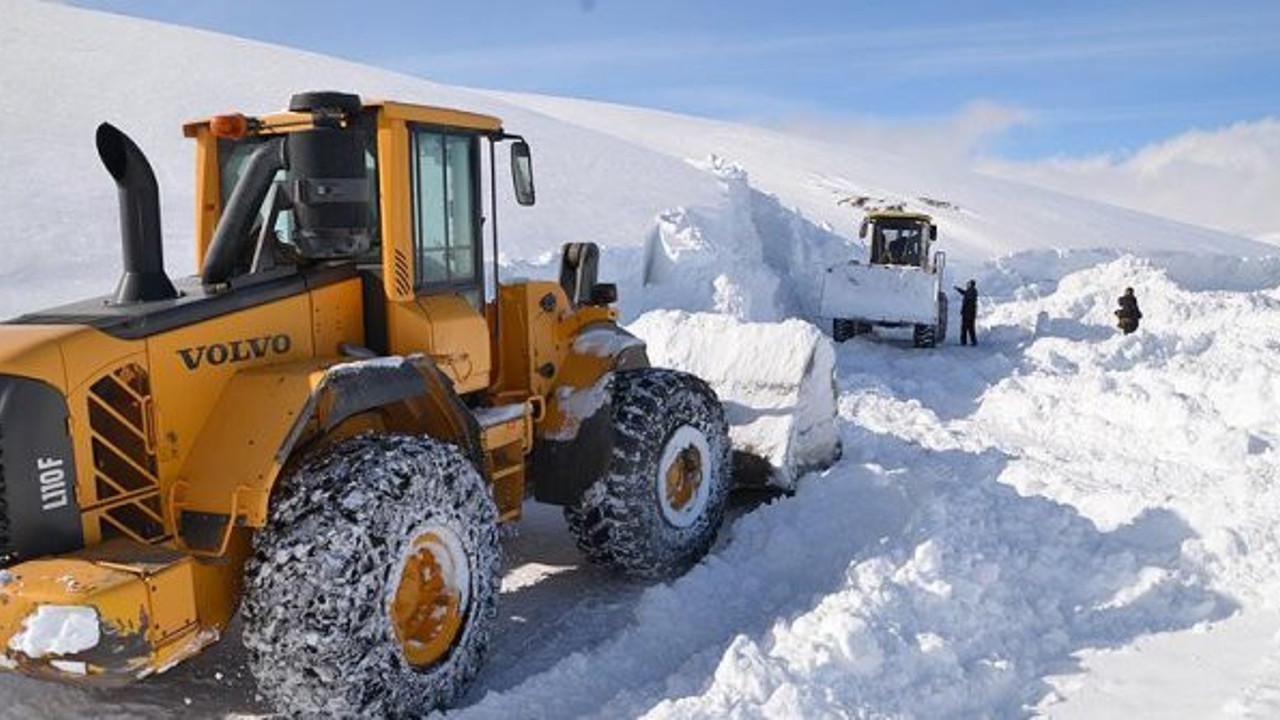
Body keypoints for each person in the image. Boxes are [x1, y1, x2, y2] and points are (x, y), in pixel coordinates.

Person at [954, 279, 978, 346]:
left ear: (971, 284)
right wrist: (958, 289)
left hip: (968, 313)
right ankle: (968, 341)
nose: (967, 285)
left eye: (968, 284)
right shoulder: (971, 291)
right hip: (968, 313)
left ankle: (966, 341)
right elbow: (964, 293)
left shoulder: (972, 291)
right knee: (968, 328)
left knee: (967, 327)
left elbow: (966, 294)